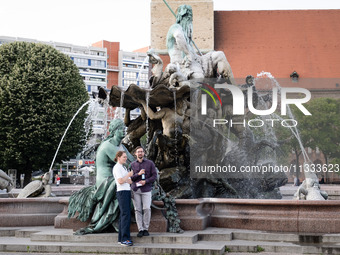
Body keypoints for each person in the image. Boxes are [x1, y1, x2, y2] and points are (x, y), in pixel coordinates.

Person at [130, 146, 157, 237]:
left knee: (147, 208)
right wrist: (138, 174)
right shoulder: (132, 164)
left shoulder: (150, 163)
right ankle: (140, 229)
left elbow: (154, 176)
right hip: (135, 189)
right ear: (135, 154)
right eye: (138, 152)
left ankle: (146, 228)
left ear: (144, 153)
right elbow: (131, 178)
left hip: (146, 189)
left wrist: (146, 181)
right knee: (137, 210)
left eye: (141, 151)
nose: (140, 153)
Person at [112, 151, 133, 246]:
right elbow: (120, 181)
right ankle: (125, 239)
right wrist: (128, 175)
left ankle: (121, 238)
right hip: (122, 192)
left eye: (126, 157)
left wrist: (128, 178)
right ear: (118, 157)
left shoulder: (123, 167)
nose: (126, 158)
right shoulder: (117, 168)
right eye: (124, 157)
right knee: (125, 215)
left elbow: (129, 181)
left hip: (126, 191)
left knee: (123, 215)